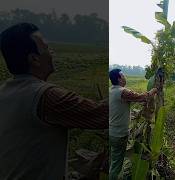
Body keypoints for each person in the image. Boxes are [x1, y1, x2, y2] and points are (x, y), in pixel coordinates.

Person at [0, 23, 107, 179]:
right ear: (34, 59)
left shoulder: (5, 92)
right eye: (47, 48)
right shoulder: (46, 97)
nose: (52, 52)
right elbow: (102, 114)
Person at [109, 69, 157, 179]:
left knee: (114, 160)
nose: (125, 77)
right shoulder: (122, 91)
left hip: (112, 132)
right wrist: (153, 91)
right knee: (117, 165)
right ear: (119, 78)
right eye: (123, 75)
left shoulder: (112, 90)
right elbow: (141, 97)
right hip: (119, 134)